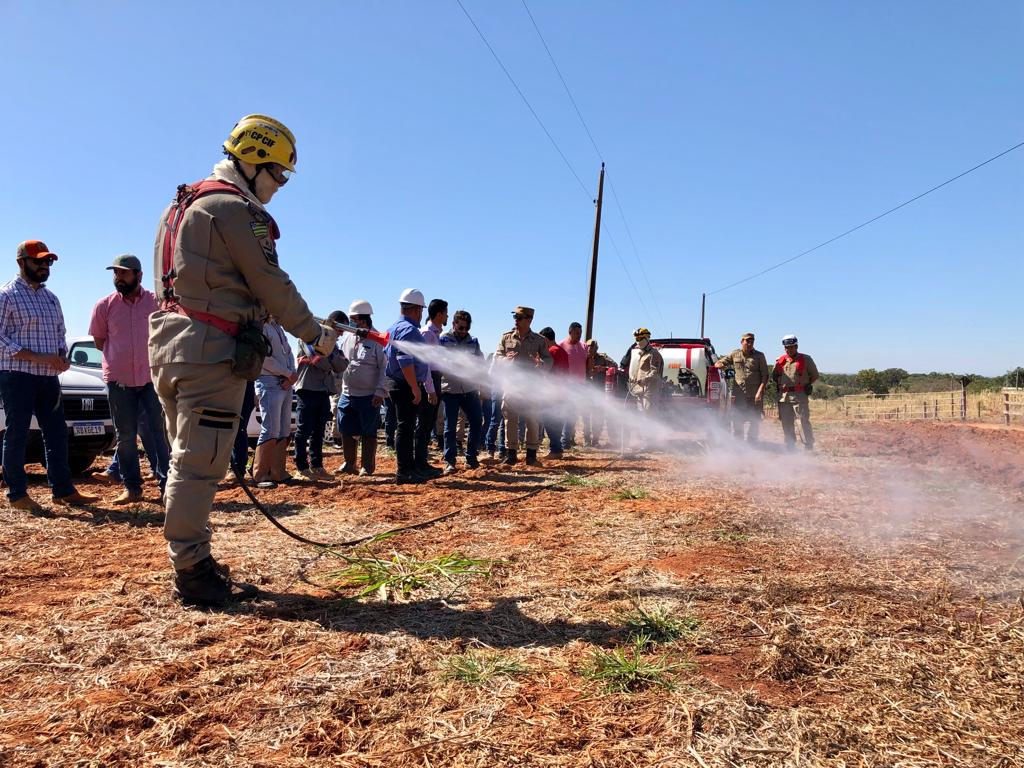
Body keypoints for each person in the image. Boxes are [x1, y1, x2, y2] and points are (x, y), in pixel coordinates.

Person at [150, 114, 338, 606]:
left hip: (172, 345)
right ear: (254, 162)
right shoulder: (235, 209)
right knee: (199, 465)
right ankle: (192, 572)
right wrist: (316, 334)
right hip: (210, 348)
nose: (279, 185)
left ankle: (194, 561)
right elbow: (270, 282)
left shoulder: (180, 206)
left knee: (185, 459)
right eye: (278, 173)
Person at [0, 240, 97, 511]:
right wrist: (39, 357)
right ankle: (17, 495)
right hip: (17, 375)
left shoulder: (51, 298)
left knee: (56, 433)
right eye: (38, 261)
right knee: (17, 432)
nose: (44, 266)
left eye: (48, 262)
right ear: (21, 262)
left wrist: (61, 357)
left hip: (48, 378)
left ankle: (63, 491)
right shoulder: (6, 295)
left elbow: (59, 334)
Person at [88, 253, 170, 503]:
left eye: (124, 272)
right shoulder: (105, 305)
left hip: (151, 380)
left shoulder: (156, 302)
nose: (118, 277)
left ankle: (167, 486)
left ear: (138, 275)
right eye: (116, 273)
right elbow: (100, 341)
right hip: (119, 381)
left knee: (158, 433)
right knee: (125, 436)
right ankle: (132, 487)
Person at [384, 289, 437, 484]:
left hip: (396, 383)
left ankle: (410, 468)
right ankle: (404, 471)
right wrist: (415, 387)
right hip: (404, 384)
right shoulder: (409, 330)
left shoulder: (394, 327)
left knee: (404, 427)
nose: (421, 314)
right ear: (415, 310)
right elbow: (404, 360)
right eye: (420, 310)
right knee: (405, 428)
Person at [495, 306, 553, 466]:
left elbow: (549, 360)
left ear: (529, 320)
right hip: (511, 385)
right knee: (510, 420)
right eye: (515, 317)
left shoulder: (539, 340)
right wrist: (505, 360)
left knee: (532, 420)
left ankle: (531, 456)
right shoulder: (506, 338)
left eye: (520, 318)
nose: (516, 320)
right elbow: (497, 357)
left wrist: (540, 363)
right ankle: (511, 454)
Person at [293, 313, 348, 481]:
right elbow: (317, 360)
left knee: (318, 431)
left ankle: (317, 466)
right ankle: (301, 467)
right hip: (308, 388)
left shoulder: (332, 344)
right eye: (341, 329)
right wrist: (330, 359)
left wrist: (329, 356)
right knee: (304, 429)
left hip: (323, 389)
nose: (341, 334)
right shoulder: (309, 336)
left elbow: (342, 365)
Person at [337, 301, 388, 476]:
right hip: (347, 393)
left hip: (368, 396)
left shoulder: (377, 340)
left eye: (353, 319)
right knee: (345, 428)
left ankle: (367, 466)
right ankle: (349, 463)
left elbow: (383, 368)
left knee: (368, 431)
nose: (350, 323)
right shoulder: (348, 338)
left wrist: (380, 391)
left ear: (363, 320)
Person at [252, 318, 296, 488]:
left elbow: (289, 353)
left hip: (285, 383)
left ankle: (278, 471)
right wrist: (287, 373)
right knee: (271, 428)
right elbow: (264, 358)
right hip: (269, 382)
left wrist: (290, 375)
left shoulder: (278, 327)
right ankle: (260, 473)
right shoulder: (262, 327)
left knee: (284, 428)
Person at [439, 310, 483, 474]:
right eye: (461, 327)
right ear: (454, 324)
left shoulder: (474, 342)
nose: (464, 331)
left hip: (469, 389)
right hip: (450, 389)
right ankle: (450, 461)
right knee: (450, 426)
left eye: (467, 328)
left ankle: (471, 457)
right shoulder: (443, 339)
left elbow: (480, 362)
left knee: (477, 421)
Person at [714, 332, 770, 442]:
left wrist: (760, 392)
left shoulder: (759, 356)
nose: (749, 343)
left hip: (755, 395)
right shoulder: (735, 354)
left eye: (752, 341)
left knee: (754, 421)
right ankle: (738, 444)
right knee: (737, 419)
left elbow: (765, 376)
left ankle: (752, 443)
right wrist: (721, 366)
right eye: (747, 341)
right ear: (741, 342)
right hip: (739, 395)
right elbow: (719, 363)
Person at [772, 334, 819, 451]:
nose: (789, 349)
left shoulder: (806, 359)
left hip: (799, 396)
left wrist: (806, 385)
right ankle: (790, 447)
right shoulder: (780, 361)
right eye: (787, 347)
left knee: (802, 422)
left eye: (792, 347)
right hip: (784, 397)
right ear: (784, 348)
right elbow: (775, 376)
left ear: (796, 346)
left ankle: (808, 446)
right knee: (786, 423)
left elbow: (815, 375)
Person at [419, 299, 448, 472]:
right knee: (424, 423)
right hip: (429, 380)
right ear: (439, 314)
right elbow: (425, 364)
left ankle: (422, 462)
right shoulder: (427, 334)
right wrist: (430, 389)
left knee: (429, 422)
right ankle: (420, 463)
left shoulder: (435, 333)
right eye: (445, 312)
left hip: (435, 379)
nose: (447, 316)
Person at [538, 326, 567, 459]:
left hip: (551, 391)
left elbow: (546, 370)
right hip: (562, 390)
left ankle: (555, 449)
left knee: (548, 419)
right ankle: (557, 448)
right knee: (556, 420)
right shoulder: (563, 351)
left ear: (545, 339)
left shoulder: (551, 352)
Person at [559, 321, 587, 448]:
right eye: (577, 333)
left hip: (580, 386)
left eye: (580, 333)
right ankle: (564, 441)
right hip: (566, 385)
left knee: (573, 414)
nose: (579, 336)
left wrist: (591, 355)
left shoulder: (584, 347)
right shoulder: (561, 345)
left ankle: (568, 439)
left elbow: (589, 367)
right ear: (570, 332)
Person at [583, 340, 612, 447]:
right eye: (589, 347)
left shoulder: (602, 358)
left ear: (597, 348)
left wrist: (602, 369)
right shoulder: (583, 358)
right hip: (585, 391)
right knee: (585, 417)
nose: (591, 349)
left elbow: (614, 366)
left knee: (597, 416)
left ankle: (595, 440)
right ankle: (586, 440)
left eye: (593, 347)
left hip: (598, 391)